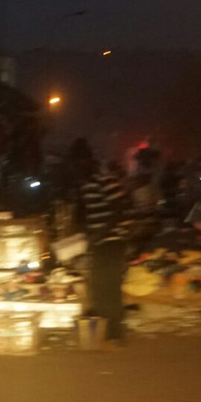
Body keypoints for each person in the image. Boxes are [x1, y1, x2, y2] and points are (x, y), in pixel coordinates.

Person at [70, 138, 128, 345]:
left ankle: (115, 334)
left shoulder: (104, 178)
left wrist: (102, 231)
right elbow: (88, 214)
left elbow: (121, 205)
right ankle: (105, 332)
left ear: (87, 160)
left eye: (79, 162)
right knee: (98, 286)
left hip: (112, 240)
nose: (77, 168)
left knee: (109, 287)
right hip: (99, 242)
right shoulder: (86, 185)